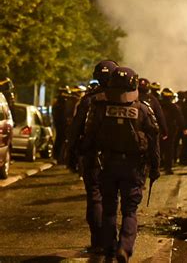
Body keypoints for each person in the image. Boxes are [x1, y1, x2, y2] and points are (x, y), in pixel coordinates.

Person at [81, 66, 160, 262]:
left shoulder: (99, 107)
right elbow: (154, 138)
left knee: (109, 208)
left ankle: (109, 247)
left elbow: (89, 136)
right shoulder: (142, 109)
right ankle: (124, 248)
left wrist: (82, 158)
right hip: (133, 167)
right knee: (129, 210)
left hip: (107, 164)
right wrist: (155, 168)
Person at [65, 60, 118, 253]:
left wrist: (70, 151)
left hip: (93, 157)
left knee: (95, 198)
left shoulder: (89, 100)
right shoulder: (125, 99)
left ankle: (98, 242)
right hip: (118, 158)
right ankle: (111, 241)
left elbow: (75, 130)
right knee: (111, 199)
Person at [159, 88, 186, 174]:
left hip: (159, 130)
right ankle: (168, 168)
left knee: (158, 148)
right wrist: (184, 128)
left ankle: (157, 166)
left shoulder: (157, 105)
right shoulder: (173, 106)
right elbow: (179, 118)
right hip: (169, 130)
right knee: (169, 149)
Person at [176, 90, 187, 165]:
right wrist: (185, 127)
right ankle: (184, 159)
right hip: (186, 127)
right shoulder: (186, 105)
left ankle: (182, 159)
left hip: (185, 127)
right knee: (186, 144)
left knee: (185, 144)